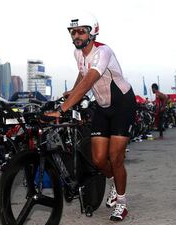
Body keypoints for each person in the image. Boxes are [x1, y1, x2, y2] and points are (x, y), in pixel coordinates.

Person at [45, 13, 136, 221]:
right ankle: (114, 182)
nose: (76, 35)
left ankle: (121, 202)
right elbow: (82, 75)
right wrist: (73, 90)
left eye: (80, 31)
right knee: (97, 159)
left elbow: (89, 82)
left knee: (115, 157)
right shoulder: (78, 54)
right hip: (102, 107)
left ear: (92, 31)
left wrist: (63, 109)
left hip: (123, 104)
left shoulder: (103, 51)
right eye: (72, 32)